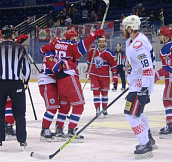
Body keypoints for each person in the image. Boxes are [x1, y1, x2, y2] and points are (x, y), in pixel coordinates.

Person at [40, 29, 104, 142]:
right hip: (69, 78)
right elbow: (81, 46)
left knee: (64, 106)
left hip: (60, 81)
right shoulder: (70, 45)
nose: (76, 40)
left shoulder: (55, 46)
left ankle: (59, 130)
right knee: (79, 105)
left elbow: (48, 52)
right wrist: (92, 37)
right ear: (71, 38)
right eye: (75, 38)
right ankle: (71, 130)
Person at [121, 15, 157, 159]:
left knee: (131, 115)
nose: (123, 29)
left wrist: (143, 89)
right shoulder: (132, 41)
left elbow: (147, 67)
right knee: (139, 114)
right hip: (136, 83)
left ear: (130, 28)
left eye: (124, 27)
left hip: (141, 84)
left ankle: (145, 144)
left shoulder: (138, 44)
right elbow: (138, 65)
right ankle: (149, 139)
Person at [0, 25, 31, 150]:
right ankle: (22, 140)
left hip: (0, 84)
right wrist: (26, 81)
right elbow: (27, 68)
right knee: (19, 113)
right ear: (13, 35)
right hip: (16, 84)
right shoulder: (20, 48)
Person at [86, 35, 118, 116]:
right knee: (96, 92)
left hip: (105, 77)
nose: (101, 43)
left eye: (103, 41)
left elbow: (113, 66)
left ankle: (104, 108)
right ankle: (97, 109)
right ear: (98, 42)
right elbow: (89, 62)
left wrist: (115, 77)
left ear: (106, 42)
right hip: (94, 75)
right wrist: (87, 71)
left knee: (104, 93)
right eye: (100, 41)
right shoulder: (92, 51)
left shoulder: (109, 53)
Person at [155, 26, 172, 138]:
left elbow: (168, 68)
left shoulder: (166, 48)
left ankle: (170, 124)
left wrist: (155, 75)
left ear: (167, 36)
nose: (160, 37)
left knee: (167, 100)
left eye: (161, 35)